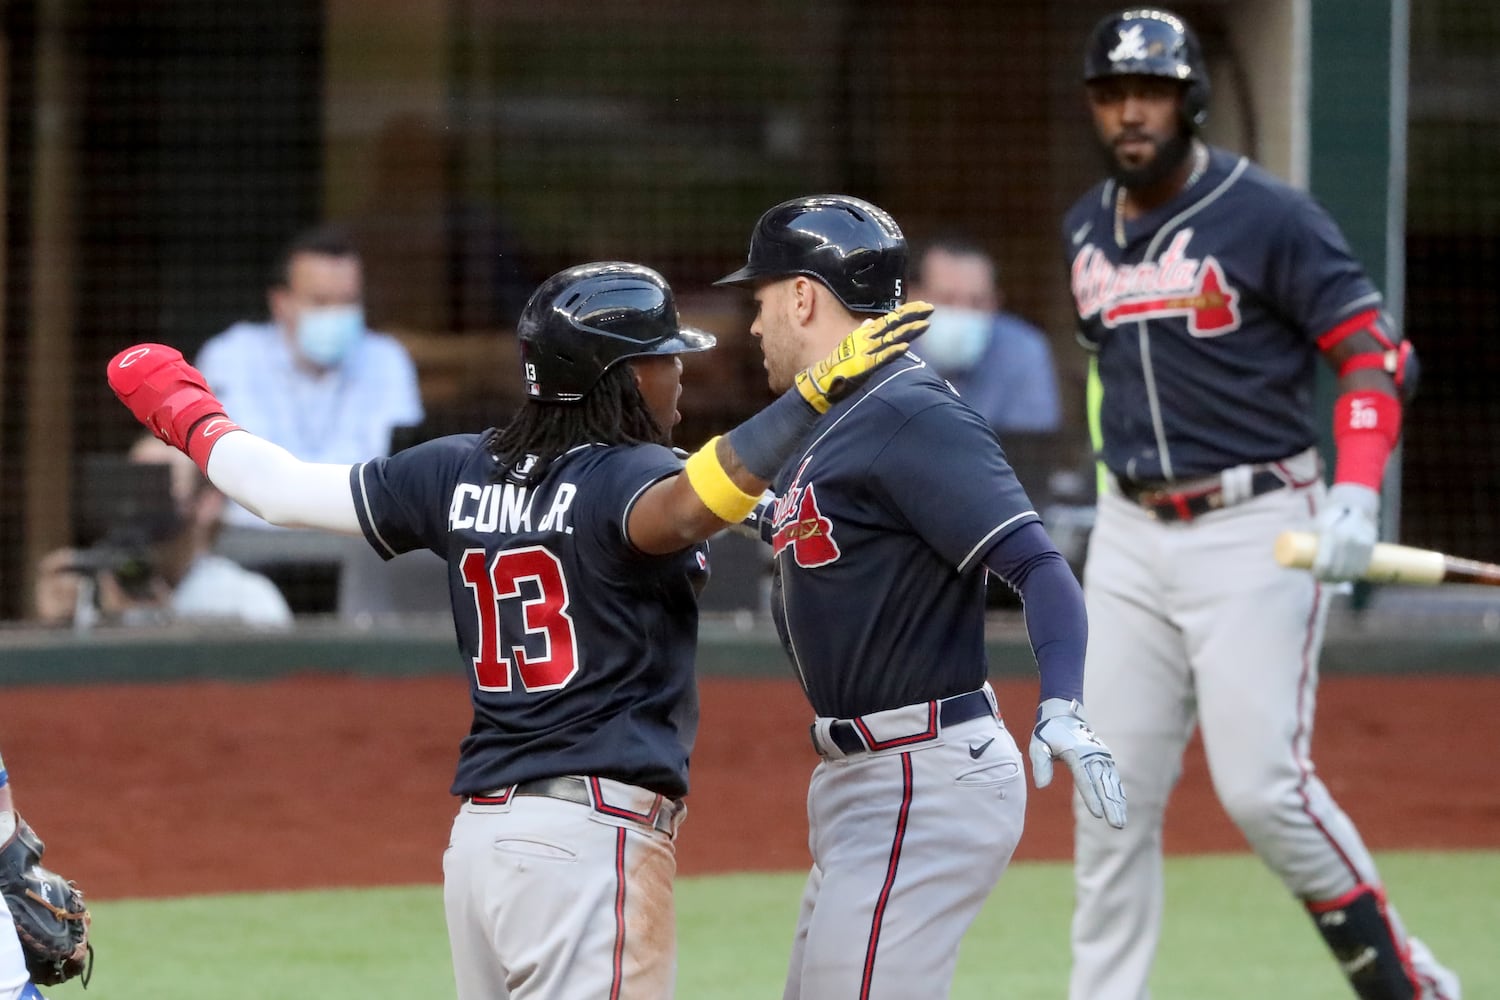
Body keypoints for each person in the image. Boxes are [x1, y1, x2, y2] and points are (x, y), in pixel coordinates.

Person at [105, 260, 932, 999]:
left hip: (482, 851)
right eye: (663, 356)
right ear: (621, 376)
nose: (680, 371)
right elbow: (686, 506)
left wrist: (184, 410)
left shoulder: (457, 467)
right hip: (588, 848)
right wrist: (806, 401)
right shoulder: (635, 478)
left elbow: (279, 492)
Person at [1062, 9, 1459, 1000]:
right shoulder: (1085, 228)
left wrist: (1356, 493)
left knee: (1262, 790)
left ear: (1191, 98)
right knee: (1106, 794)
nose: (1130, 112)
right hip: (1130, 533)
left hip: (1255, 526)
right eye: (1112, 94)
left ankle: (1413, 986)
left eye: (1150, 92)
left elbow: (1375, 355)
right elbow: (1114, 379)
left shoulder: (1268, 214)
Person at [713, 194, 1127, 1000]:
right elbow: (845, 537)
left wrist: (1063, 705)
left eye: (761, 300)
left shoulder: (911, 409)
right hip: (870, 781)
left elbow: (1040, 566)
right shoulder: (833, 417)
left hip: (920, 777)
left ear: (803, 297)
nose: (755, 325)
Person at [194, 224, 424, 530]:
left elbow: (390, 471)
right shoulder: (231, 356)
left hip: (357, 539)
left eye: (348, 301)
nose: (336, 313)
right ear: (280, 303)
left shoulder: (388, 360)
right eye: (320, 301)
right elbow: (229, 467)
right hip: (249, 537)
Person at [33, 434, 292, 629]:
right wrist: (57, 628)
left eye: (159, 483)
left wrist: (164, 624)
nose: (143, 502)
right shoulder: (90, 594)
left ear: (207, 503)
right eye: (136, 482)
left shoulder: (245, 601)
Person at [909, 234, 1062, 436]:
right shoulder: (882, 351)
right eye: (946, 299)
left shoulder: (1024, 350)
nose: (962, 312)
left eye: (977, 302)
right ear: (912, 298)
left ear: (995, 303)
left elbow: (1032, 447)